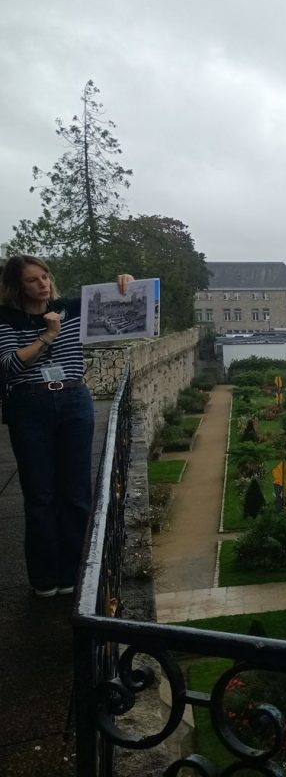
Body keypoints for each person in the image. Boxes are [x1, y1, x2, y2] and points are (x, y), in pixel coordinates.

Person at [0, 255, 134, 598]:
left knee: (76, 492)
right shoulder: (6, 319)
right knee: (40, 493)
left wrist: (126, 284)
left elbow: (127, 311)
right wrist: (48, 336)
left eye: (45, 276)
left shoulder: (71, 308)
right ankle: (46, 577)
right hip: (29, 403)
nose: (43, 284)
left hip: (74, 399)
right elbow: (8, 366)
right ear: (17, 287)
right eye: (33, 280)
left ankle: (78, 573)